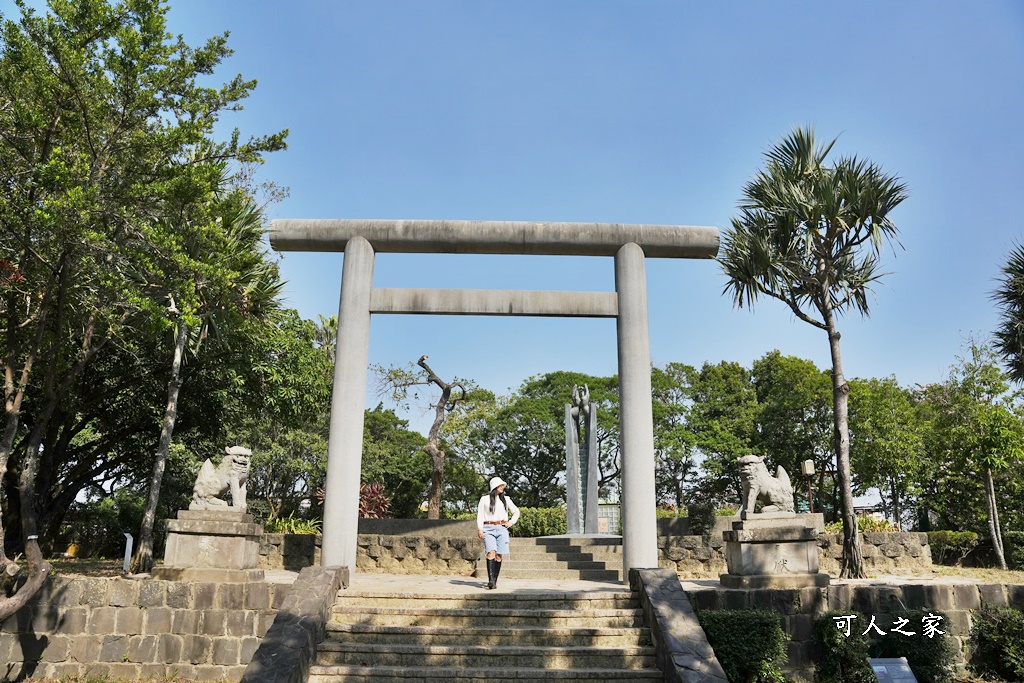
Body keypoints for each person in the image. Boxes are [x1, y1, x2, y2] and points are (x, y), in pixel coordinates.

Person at [476, 476, 520, 589]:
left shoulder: (506, 499)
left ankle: (495, 580)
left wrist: (511, 522)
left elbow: (516, 512)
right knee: (491, 552)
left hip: (501, 527)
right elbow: (480, 515)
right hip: (488, 527)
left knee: (499, 555)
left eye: (502, 485)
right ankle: (490, 579)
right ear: (494, 486)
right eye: (500, 485)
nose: (502, 487)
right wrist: (480, 528)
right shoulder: (484, 499)